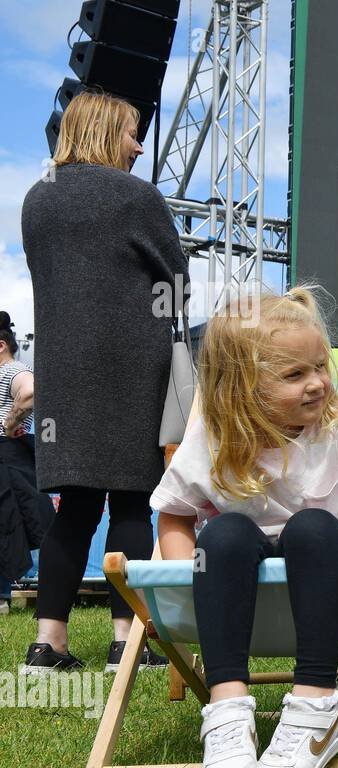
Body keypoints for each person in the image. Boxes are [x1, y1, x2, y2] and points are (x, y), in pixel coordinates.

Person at [153, 287, 338, 768]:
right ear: (240, 389)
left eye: (320, 365)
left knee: (311, 527)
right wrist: (185, 581)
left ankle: (318, 703)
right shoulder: (215, 437)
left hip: (330, 586)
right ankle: (228, 709)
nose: (317, 383)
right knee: (224, 532)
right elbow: (175, 517)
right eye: (295, 375)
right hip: (237, 592)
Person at [20, 90, 183, 673]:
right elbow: (179, 279)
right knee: (134, 504)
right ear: (104, 130)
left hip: (62, 374)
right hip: (133, 368)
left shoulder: (37, 199)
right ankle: (127, 643)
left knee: (76, 507)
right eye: (132, 133)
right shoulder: (137, 197)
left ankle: (48, 645)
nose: (139, 146)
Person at [0, 311, 54, 613]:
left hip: (6, 454)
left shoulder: (12, 370)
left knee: (6, 525)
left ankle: (2, 597)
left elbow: (31, 391)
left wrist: (9, 424)